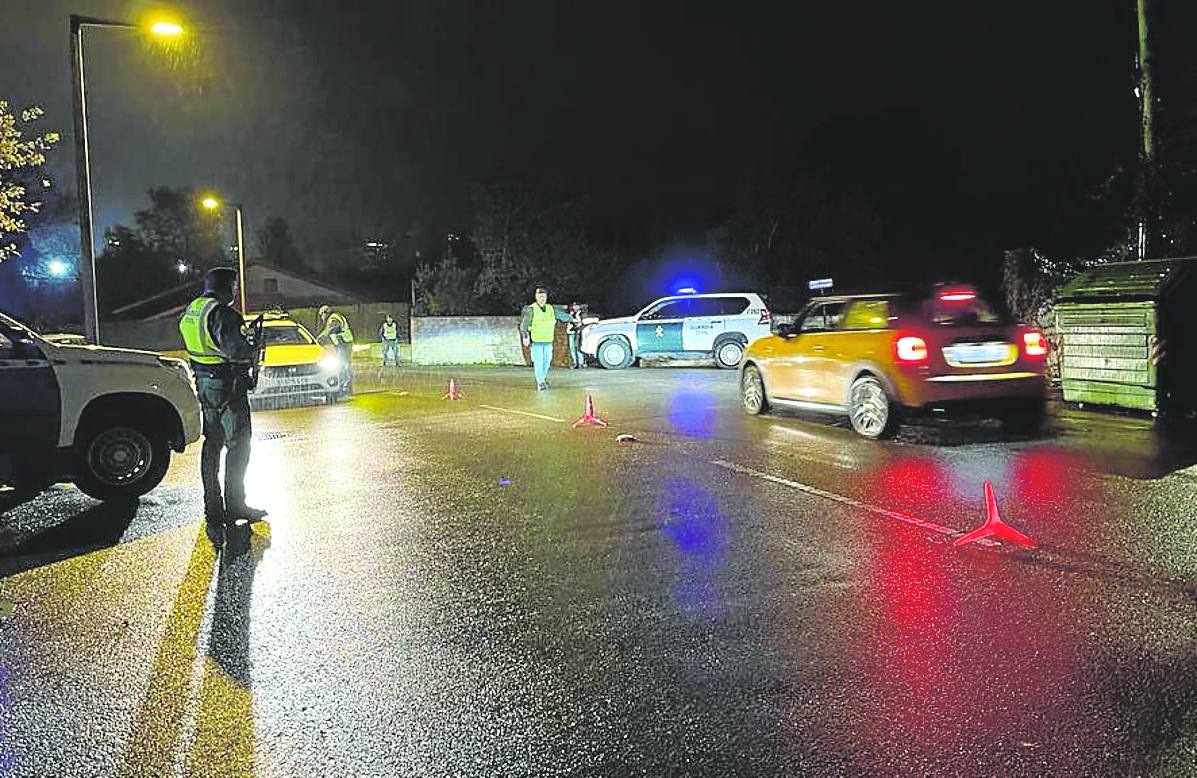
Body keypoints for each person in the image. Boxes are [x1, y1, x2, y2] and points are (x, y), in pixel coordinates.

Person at [178, 267, 268, 546]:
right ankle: (235, 506)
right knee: (239, 446)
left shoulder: (193, 309)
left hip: (205, 384)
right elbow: (236, 351)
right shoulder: (223, 314)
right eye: (235, 286)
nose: (236, 291)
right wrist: (251, 346)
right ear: (226, 287)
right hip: (228, 387)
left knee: (212, 446)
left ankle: (213, 510)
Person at [519, 287, 572, 390]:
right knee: (539, 362)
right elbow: (524, 325)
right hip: (537, 341)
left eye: (544, 296)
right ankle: (540, 382)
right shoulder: (531, 309)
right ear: (536, 297)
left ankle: (542, 379)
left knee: (547, 362)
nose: (542, 298)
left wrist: (572, 318)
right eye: (540, 296)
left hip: (548, 340)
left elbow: (562, 316)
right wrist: (525, 337)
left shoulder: (550, 309)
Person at [317, 305, 355, 394]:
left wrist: (321, 337)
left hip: (344, 344)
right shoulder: (332, 319)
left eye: (321, 315)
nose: (321, 318)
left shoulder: (333, 318)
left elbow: (332, 328)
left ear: (325, 313)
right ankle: (345, 386)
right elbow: (328, 330)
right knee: (343, 365)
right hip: (342, 344)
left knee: (343, 366)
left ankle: (344, 387)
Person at [567, 303, 585, 369]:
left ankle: (581, 362)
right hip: (571, 332)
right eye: (573, 306)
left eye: (576, 305)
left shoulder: (581, 314)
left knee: (578, 347)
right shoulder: (571, 313)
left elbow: (580, 323)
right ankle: (575, 362)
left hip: (578, 332)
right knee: (572, 348)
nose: (574, 307)